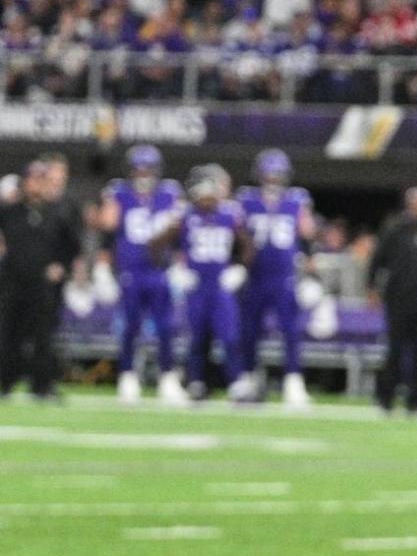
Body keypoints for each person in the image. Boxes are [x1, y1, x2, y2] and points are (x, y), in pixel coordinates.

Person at [97, 144, 187, 404]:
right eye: (139, 169)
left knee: (167, 327)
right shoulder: (119, 193)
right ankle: (127, 376)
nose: (143, 174)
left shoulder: (170, 193)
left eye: (148, 169)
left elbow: (179, 232)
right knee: (130, 327)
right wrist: (103, 266)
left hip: (159, 271)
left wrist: (181, 262)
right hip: (131, 271)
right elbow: (108, 227)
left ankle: (167, 377)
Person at [153, 165, 251, 400]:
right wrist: (172, 267)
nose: (208, 199)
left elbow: (247, 245)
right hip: (196, 286)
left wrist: (239, 268)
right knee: (195, 338)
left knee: (229, 337)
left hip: (219, 285)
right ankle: (196, 381)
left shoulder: (230, 214)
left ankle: (236, 382)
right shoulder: (185, 216)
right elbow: (156, 245)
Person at [235, 148, 316, 406]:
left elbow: (308, 232)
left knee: (291, 331)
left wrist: (307, 267)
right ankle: (248, 378)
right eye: (269, 175)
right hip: (255, 275)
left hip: (284, 276)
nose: (272, 180)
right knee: (249, 331)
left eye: (277, 175)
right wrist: (235, 262)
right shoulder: (246, 199)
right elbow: (236, 233)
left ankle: (293, 381)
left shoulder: (296, 200)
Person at [0, 160, 83, 400]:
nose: (37, 185)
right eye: (33, 179)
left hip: (43, 285)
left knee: (43, 336)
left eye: (41, 179)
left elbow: (72, 246)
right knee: (8, 333)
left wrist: (62, 267)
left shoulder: (59, 213)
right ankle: (5, 381)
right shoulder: (10, 211)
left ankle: (42, 385)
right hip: (13, 281)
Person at [370, 187, 417, 413]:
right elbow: (378, 259)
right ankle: (386, 398)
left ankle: (416, 400)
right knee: (394, 350)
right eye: (415, 203)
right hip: (398, 298)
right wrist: (373, 287)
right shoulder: (395, 229)